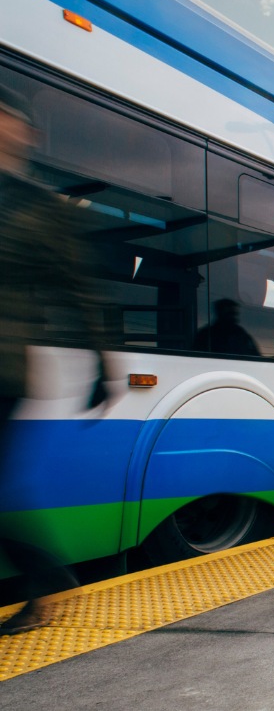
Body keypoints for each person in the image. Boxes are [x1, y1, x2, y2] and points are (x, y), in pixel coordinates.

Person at [0, 85, 112, 634]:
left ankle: (41, 578)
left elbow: (74, 290)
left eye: (5, 116)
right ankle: (45, 576)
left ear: (27, 134)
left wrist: (100, 365)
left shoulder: (38, 205)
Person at [193, 298, 260, 357]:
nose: (234, 316)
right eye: (230, 313)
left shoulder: (241, 334)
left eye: (235, 313)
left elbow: (255, 356)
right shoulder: (206, 335)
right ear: (220, 313)